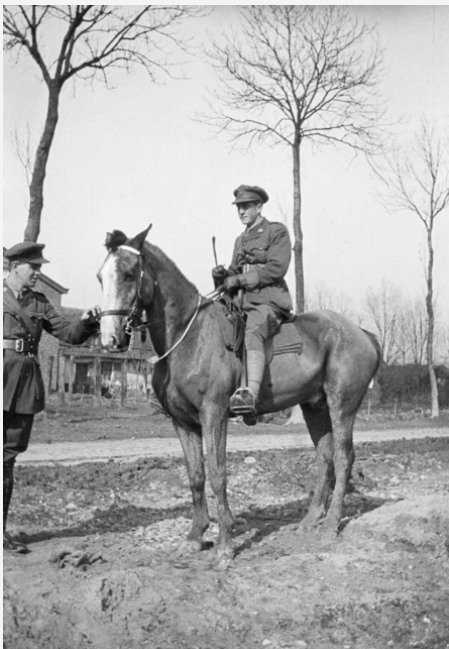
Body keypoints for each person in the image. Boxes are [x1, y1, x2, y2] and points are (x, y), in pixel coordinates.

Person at [3, 241, 101, 553]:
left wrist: (86, 322)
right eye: (34, 267)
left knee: (7, 456)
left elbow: (69, 334)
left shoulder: (40, 302)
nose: (38, 273)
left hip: (24, 386)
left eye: (40, 268)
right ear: (15, 265)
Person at [212, 185, 293, 426]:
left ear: (259, 207)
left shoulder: (276, 232)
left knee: (253, 332)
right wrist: (222, 275)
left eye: (246, 206)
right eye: (239, 207)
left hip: (267, 302)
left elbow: (277, 268)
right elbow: (234, 274)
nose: (241, 212)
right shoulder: (241, 240)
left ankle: (250, 398)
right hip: (240, 304)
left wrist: (241, 279)